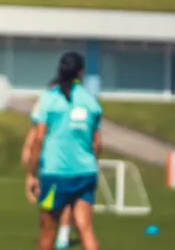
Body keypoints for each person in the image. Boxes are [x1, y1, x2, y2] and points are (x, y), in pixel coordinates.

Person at [26, 52, 102, 250]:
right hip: (86, 172)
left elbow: (39, 138)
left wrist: (31, 173)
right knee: (85, 228)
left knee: (48, 230)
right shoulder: (90, 99)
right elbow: (97, 145)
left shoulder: (50, 98)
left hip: (55, 173)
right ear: (81, 73)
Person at [21, 76, 75, 250]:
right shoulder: (46, 104)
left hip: (58, 163)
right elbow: (35, 131)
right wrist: (27, 148)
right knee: (51, 203)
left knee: (61, 203)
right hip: (50, 162)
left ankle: (62, 234)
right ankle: (57, 235)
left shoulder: (68, 104)